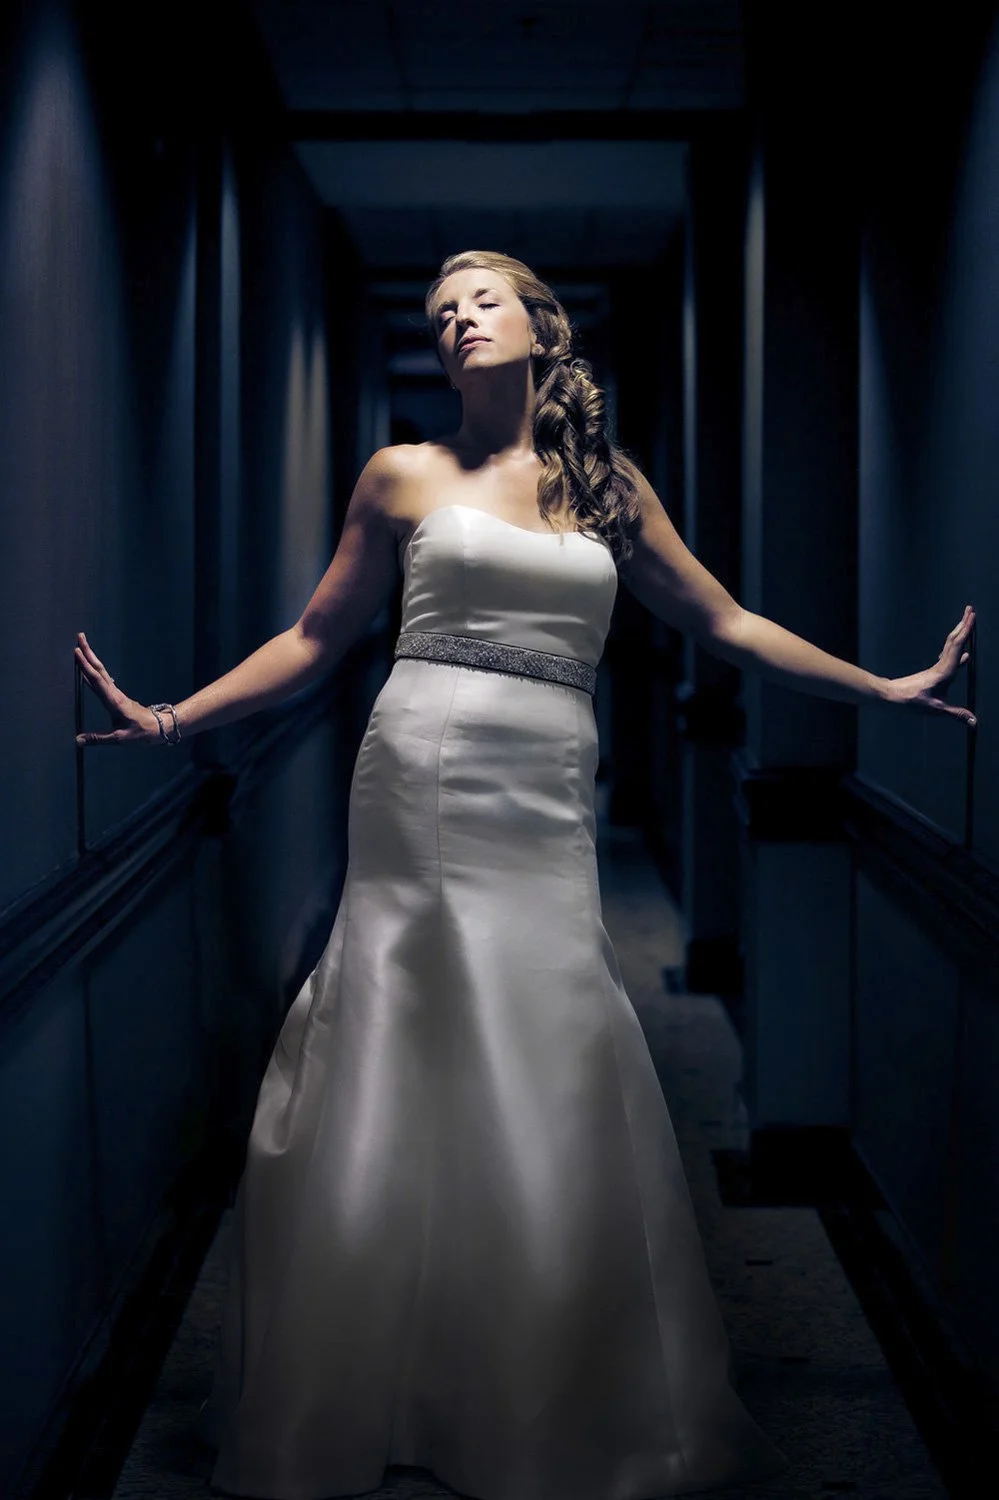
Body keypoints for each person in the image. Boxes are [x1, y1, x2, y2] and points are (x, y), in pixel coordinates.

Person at [74, 250, 977, 1500]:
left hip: (547, 781)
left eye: (481, 298)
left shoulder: (606, 486)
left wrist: (878, 688)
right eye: (439, 310)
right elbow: (314, 639)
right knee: (405, 1014)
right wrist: (175, 719)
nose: (456, 319)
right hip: (419, 772)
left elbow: (723, 622)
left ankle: (532, 1371)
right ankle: (376, 1373)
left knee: (544, 1028)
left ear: (540, 324)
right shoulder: (402, 474)